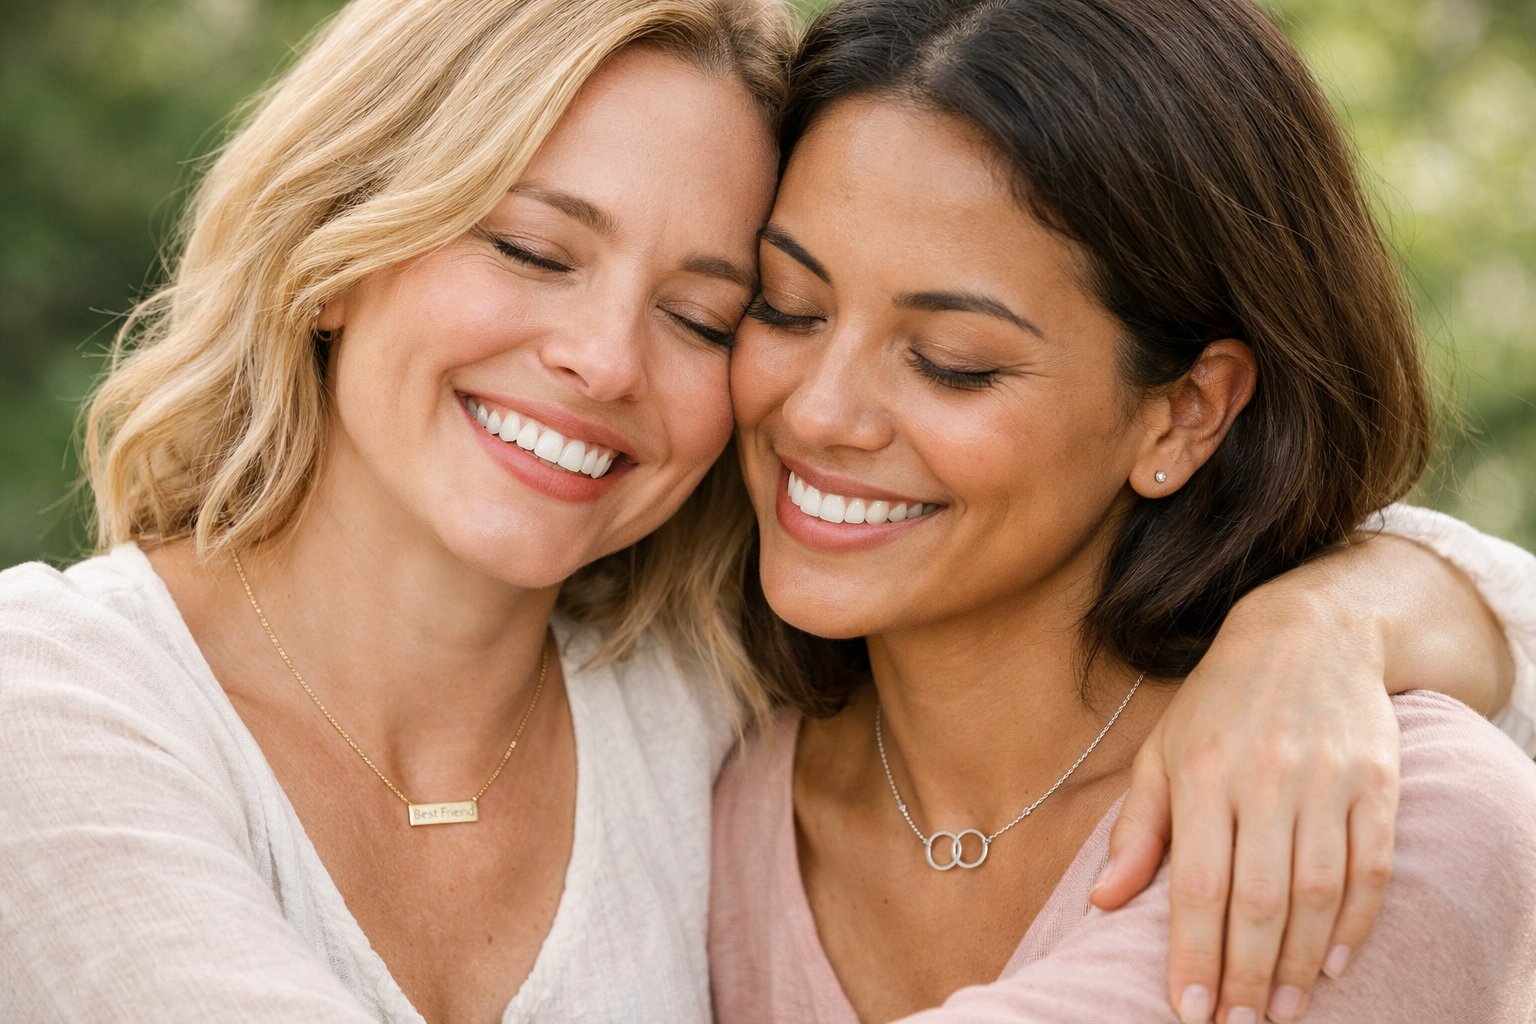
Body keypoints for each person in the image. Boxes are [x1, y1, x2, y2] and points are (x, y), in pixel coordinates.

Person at [0, 1, 1531, 1023]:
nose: (604, 359)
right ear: (339, 244)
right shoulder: (56, 698)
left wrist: (1325, 619)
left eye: (708, 309)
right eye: (785, 315)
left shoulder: (695, 690)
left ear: (1186, 409)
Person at [709, 0, 1536, 1022]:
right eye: (786, 304)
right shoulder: (701, 777)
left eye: (952, 364)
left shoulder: (1400, 811)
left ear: (1185, 412)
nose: (818, 411)